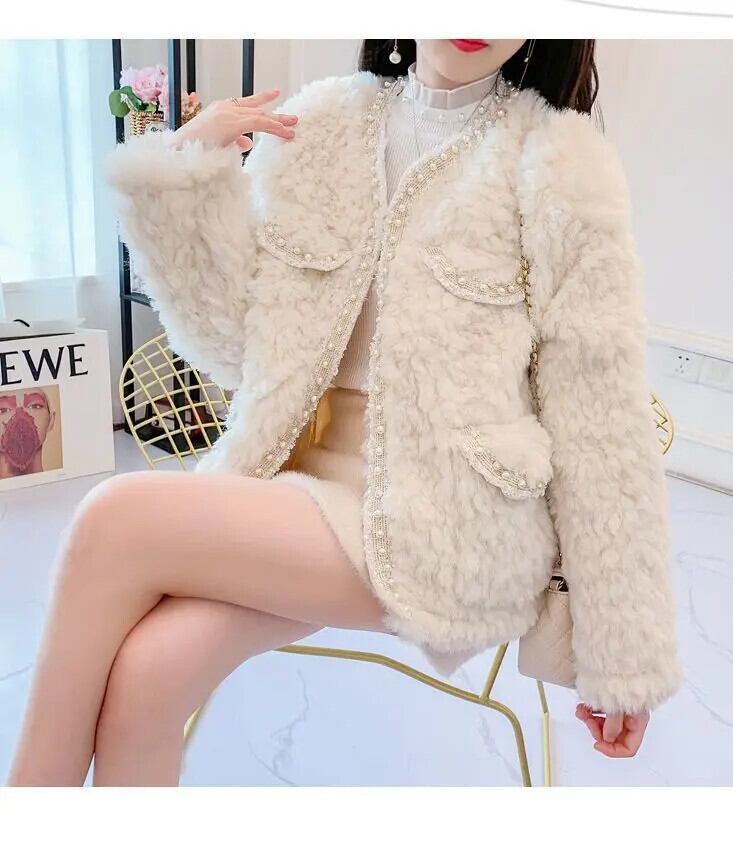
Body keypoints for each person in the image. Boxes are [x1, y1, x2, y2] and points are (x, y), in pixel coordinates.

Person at [8, 38, 681, 786]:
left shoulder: (558, 163)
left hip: (450, 524)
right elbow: (236, 345)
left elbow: (602, 419)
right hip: (296, 483)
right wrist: (185, 173)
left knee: (113, 521)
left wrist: (625, 655)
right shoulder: (323, 122)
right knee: (149, 675)